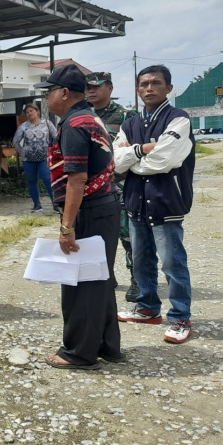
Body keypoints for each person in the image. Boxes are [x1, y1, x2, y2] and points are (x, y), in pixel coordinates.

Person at [34, 64, 124, 369]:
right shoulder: (90, 118)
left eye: (48, 93)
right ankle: (107, 346)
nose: (46, 99)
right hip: (105, 207)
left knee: (81, 283)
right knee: (100, 279)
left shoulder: (74, 125)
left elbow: (76, 180)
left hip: (90, 211)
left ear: (63, 93)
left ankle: (79, 353)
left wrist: (66, 227)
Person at [114, 64, 196, 344]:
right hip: (136, 202)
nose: (149, 88)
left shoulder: (178, 119)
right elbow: (115, 160)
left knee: (173, 263)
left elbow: (165, 160)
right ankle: (147, 308)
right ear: (137, 90)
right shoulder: (130, 124)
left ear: (168, 89)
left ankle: (180, 317)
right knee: (141, 260)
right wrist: (143, 149)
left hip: (167, 202)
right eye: (144, 84)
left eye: (156, 83)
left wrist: (132, 158)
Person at [85, 71, 140, 303]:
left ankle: (137, 280)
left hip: (122, 187)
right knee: (97, 237)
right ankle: (106, 276)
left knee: (129, 236)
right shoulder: (82, 115)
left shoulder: (128, 116)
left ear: (110, 88)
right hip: (93, 188)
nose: (91, 90)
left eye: (96, 86)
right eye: (88, 87)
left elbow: (135, 151)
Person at [12, 103, 57, 213]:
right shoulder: (23, 127)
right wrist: (23, 152)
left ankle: (55, 204)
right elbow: (15, 141)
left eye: (31, 111)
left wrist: (53, 150)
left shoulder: (47, 123)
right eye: (27, 112)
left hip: (44, 157)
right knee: (32, 181)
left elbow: (56, 137)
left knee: (47, 179)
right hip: (28, 159)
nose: (29, 113)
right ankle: (37, 205)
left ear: (38, 112)